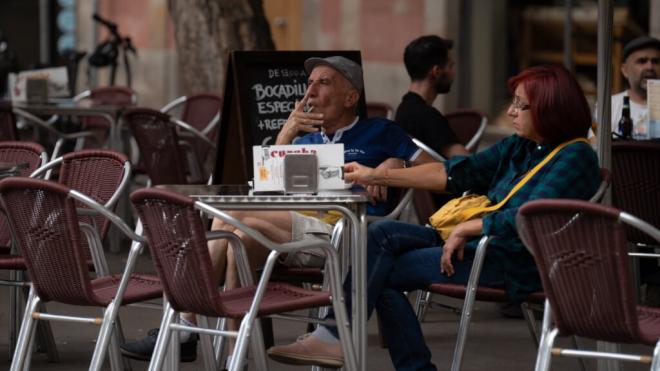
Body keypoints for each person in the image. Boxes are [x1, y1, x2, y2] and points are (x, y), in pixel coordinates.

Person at [267, 65, 601, 370]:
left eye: (520, 105)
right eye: (513, 102)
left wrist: (474, 226)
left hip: (514, 259)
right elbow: (457, 172)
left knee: (378, 272)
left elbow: (534, 216)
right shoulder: (520, 145)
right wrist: (376, 176)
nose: (511, 111)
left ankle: (341, 341)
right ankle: (336, 339)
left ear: (551, 108)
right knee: (379, 235)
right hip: (473, 240)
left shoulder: (577, 155)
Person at [120, 56, 433, 364]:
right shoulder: (306, 139)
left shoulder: (382, 132)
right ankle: (234, 357)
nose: (310, 91)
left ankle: (183, 327)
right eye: (309, 83)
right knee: (237, 238)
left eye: (323, 83)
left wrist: (397, 163)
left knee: (232, 216)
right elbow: (265, 190)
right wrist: (286, 133)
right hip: (293, 232)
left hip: (346, 234)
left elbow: (438, 170)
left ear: (351, 97)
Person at [395, 35, 469, 158]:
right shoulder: (429, 117)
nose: (453, 73)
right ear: (437, 72)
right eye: (451, 66)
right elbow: (469, 164)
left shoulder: (402, 110)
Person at [595, 35, 660, 139]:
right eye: (642, 61)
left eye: (656, 61)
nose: (650, 67)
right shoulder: (607, 108)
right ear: (625, 70)